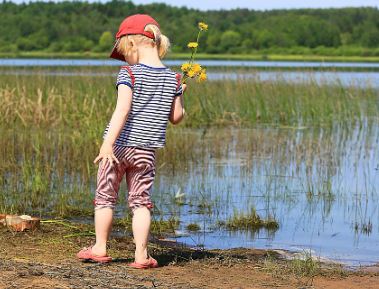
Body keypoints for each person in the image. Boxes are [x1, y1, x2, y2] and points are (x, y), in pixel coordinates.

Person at [77, 14, 186, 269]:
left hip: (118, 148)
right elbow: (177, 117)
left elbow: (122, 111)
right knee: (140, 202)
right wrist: (180, 93)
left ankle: (100, 247)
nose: (124, 58)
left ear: (132, 45)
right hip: (146, 151)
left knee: (105, 197)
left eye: (123, 52)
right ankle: (141, 254)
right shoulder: (174, 79)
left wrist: (107, 144)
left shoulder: (128, 73)